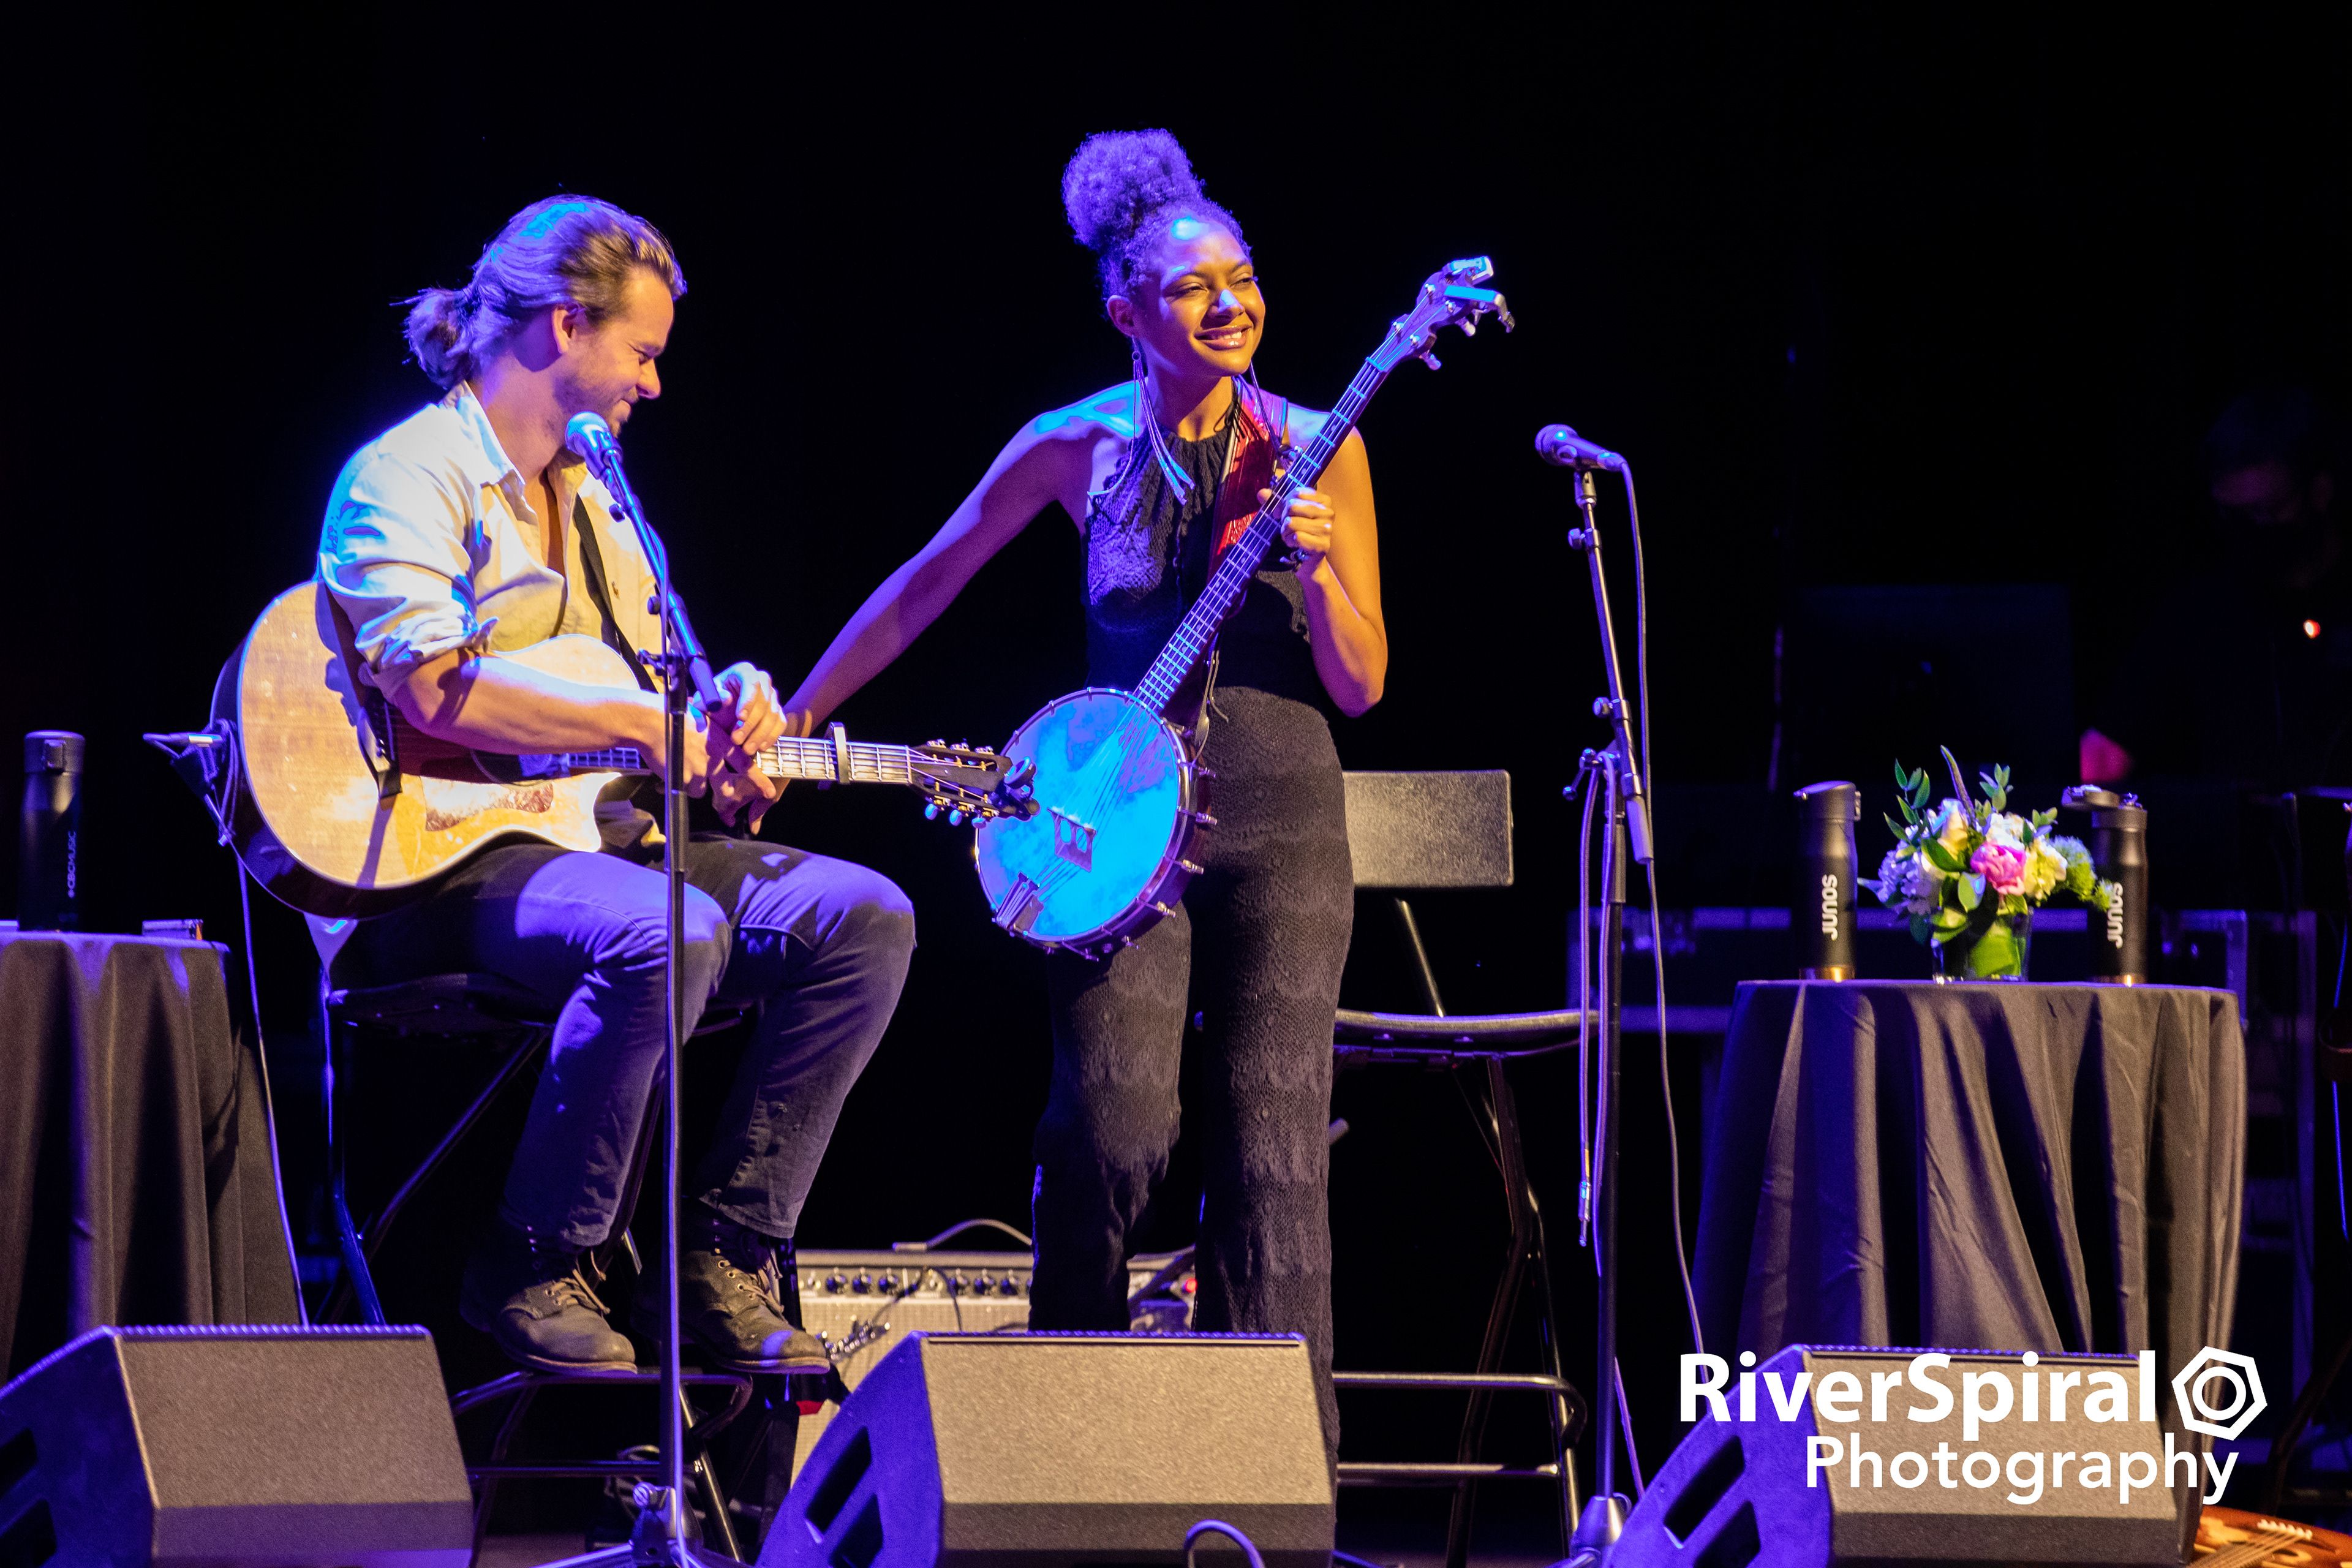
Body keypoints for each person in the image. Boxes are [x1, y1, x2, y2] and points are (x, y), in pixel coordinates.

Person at [782, 129, 1383, 1458]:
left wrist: (1324, 564)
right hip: (1117, 828)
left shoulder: (1314, 444)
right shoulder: (1074, 445)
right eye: (1193, 287)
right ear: (1126, 312)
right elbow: (927, 582)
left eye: (1243, 277)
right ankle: (1065, 1453)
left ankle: (1279, 1473)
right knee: (1110, 1129)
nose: (1229, 304)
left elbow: (1362, 683)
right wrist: (800, 718)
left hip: (1285, 824)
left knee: (1275, 1156)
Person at [314, 195, 916, 1376]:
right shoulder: (408, 473)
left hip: (596, 845)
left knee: (864, 919)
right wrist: (643, 721)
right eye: (641, 353)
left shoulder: (602, 501)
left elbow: (655, 688)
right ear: (562, 325)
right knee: (668, 931)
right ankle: (533, 1256)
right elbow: (433, 688)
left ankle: (722, 1258)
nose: (654, 383)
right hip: (434, 867)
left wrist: (726, 709)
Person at [2082, 386, 2350, 785]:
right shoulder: (2201, 612)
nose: (2252, 530)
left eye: (2267, 511)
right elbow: (2106, 753)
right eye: (2233, 515)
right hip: (2235, 828)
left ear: (2320, 491)